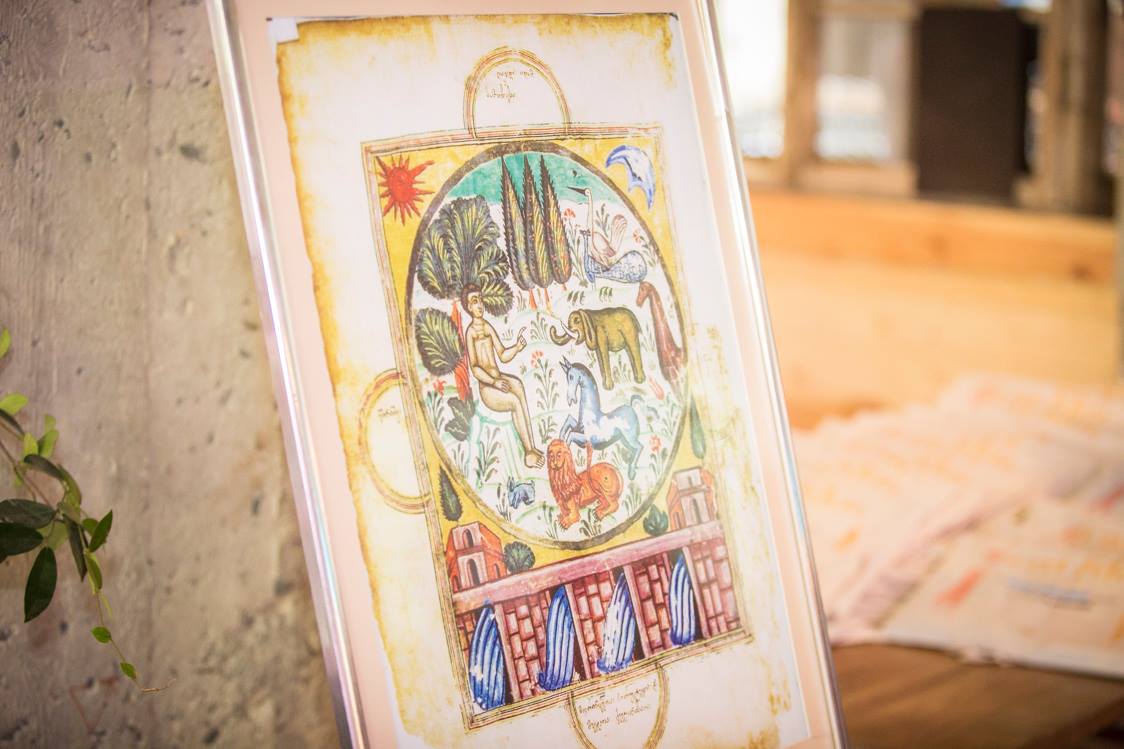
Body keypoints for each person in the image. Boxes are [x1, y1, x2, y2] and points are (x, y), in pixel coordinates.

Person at [462, 284, 543, 469]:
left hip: (498, 379)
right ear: (468, 307)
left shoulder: (487, 327)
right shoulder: (471, 332)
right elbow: (475, 368)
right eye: (474, 301)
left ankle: (532, 447)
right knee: (514, 401)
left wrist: (517, 347)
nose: (480, 304)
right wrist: (494, 382)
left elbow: (502, 355)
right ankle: (528, 453)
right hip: (488, 387)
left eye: (480, 299)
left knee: (519, 386)